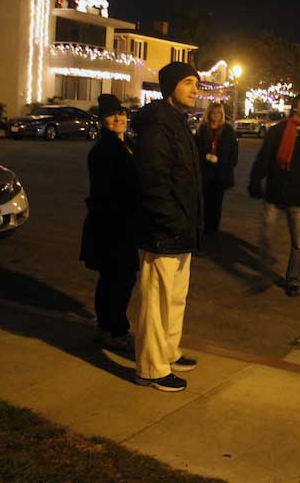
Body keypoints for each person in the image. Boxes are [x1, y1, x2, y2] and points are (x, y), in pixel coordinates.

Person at [131, 62, 203, 392]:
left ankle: (169, 352)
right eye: (188, 82)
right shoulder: (159, 125)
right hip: (162, 232)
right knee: (156, 305)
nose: (194, 88)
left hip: (180, 231)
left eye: (196, 83)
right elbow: (153, 182)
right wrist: (172, 222)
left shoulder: (177, 122)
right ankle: (151, 368)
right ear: (170, 86)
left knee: (175, 299)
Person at [248, 92, 300, 297]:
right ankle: (265, 274)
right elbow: (264, 158)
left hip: (299, 197)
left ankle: (293, 278)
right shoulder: (277, 131)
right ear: (295, 106)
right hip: (274, 193)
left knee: (299, 244)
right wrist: (255, 181)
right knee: (266, 237)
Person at [80, 94, 139, 352]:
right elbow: (115, 189)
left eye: (122, 113)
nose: (119, 118)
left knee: (112, 278)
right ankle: (116, 330)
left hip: (117, 221)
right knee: (120, 278)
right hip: (112, 223)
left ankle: (106, 327)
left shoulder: (127, 145)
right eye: (112, 115)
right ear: (103, 120)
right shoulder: (105, 150)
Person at [195, 102, 238, 234]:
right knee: (204, 202)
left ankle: (213, 229)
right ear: (208, 114)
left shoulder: (227, 131)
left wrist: (226, 166)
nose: (216, 116)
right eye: (213, 113)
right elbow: (195, 150)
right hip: (204, 172)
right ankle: (203, 227)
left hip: (220, 173)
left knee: (217, 203)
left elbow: (233, 153)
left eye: (218, 113)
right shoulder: (202, 130)